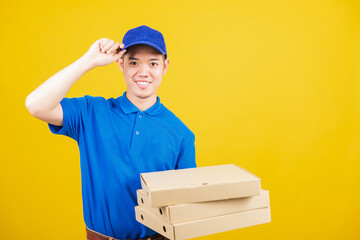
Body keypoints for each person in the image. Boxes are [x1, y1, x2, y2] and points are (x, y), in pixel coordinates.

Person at [25, 25, 197, 240]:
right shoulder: (91, 113)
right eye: (133, 62)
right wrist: (89, 60)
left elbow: (186, 206)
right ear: (120, 64)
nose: (143, 72)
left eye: (153, 63)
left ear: (165, 66)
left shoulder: (181, 134)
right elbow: (35, 105)